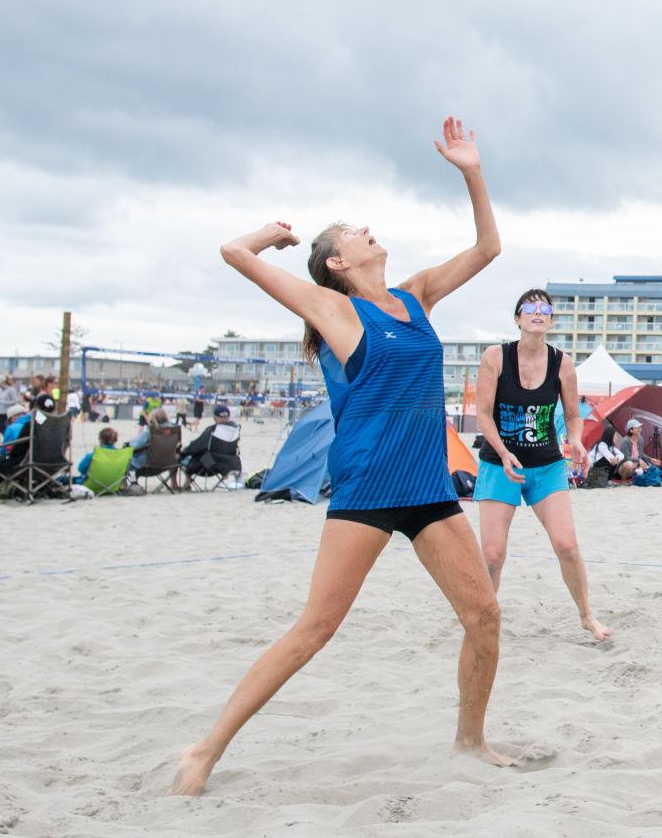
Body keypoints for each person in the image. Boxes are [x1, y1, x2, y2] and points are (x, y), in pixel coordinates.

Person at [173, 117, 509, 796]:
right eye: (355, 232)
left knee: (484, 617)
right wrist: (273, 235)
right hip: (366, 488)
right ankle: (202, 753)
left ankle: (471, 739)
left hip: (427, 487)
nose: (368, 232)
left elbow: (488, 247)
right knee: (314, 630)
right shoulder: (335, 310)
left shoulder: (415, 297)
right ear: (337, 262)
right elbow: (233, 253)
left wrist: (471, 170)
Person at [472, 288, 610, 643]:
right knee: (492, 556)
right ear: (517, 318)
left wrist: (576, 440)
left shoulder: (562, 363)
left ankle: (586, 615)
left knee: (567, 545)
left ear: (550, 320)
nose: (538, 312)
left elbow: (572, 416)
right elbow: (483, 415)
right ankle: (481, 620)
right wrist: (503, 453)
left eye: (544, 309)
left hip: (546, 464)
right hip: (499, 463)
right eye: (529, 307)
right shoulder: (495, 357)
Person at [180, 405, 244, 484]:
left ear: (215, 417)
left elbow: (197, 446)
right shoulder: (234, 430)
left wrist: (184, 452)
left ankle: (187, 484)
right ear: (229, 417)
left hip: (208, 465)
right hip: (227, 465)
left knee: (185, 457)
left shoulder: (213, 430)